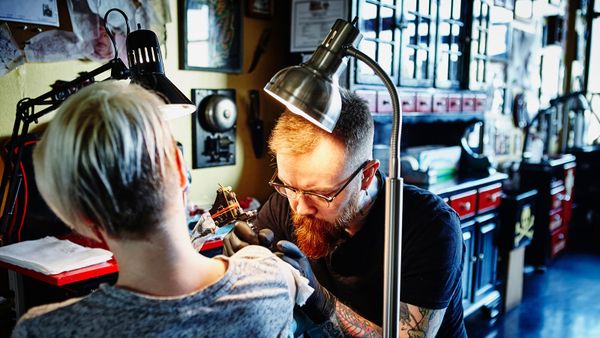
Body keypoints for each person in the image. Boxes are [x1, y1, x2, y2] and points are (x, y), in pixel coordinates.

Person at [12, 81, 310, 337]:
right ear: (181, 172)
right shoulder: (273, 282)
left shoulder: (46, 330)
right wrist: (255, 258)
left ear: (88, 225)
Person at [224, 90, 466, 337]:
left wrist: (317, 299)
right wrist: (237, 264)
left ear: (366, 176)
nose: (299, 207)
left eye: (320, 194)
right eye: (288, 186)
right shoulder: (287, 202)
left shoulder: (431, 227)